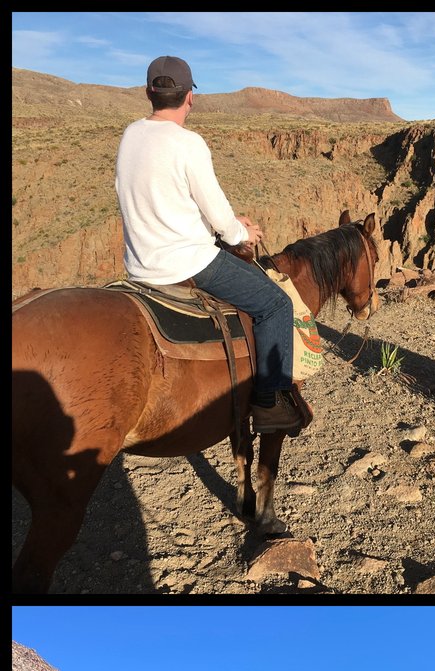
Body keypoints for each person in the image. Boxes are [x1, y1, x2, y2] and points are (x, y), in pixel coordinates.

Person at [115, 56, 301, 435]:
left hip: (139, 264)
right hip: (187, 263)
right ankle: (269, 404)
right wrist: (239, 233)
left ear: (149, 93)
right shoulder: (188, 143)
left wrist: (231, 225)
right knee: (275, 304)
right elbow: (216, 211)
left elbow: (165, 199)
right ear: (189, 98)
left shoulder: (131, 134)